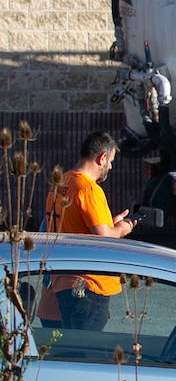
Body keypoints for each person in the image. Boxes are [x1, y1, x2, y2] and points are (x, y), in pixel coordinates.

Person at [39, 130, 135, 328]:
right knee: (85, 352)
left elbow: (71, 225)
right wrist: (123, 228)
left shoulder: (61, 183)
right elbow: (105, 239)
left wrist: (110, 223)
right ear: (102, 158)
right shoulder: (88, 189)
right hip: (87, 285)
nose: (110, 167)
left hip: (62, 281)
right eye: (110, 161)